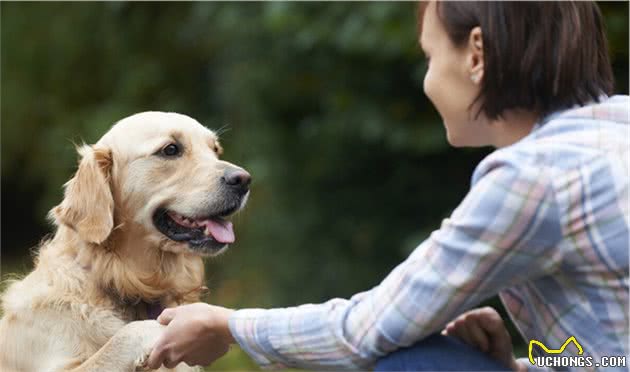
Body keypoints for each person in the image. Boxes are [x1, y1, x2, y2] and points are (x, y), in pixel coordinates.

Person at [147, 1, 629, 371]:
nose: (427, 82)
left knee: (413, 360)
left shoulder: (532, 178)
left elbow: (368, 329)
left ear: (476, 54)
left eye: (430, 56)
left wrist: (228, 325)